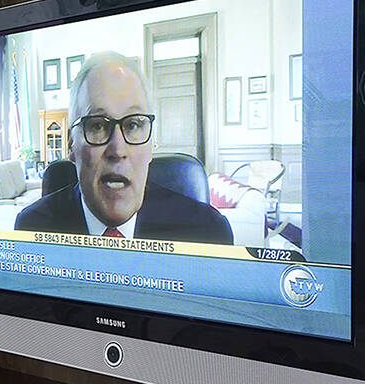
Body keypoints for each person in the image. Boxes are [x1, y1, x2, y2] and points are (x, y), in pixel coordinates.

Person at [15, 51, 232, 244]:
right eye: (98, 125)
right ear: (71, 144)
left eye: (133, 125)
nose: (117, 150)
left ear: (150, 145)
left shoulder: (209, 234)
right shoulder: (31, 229)